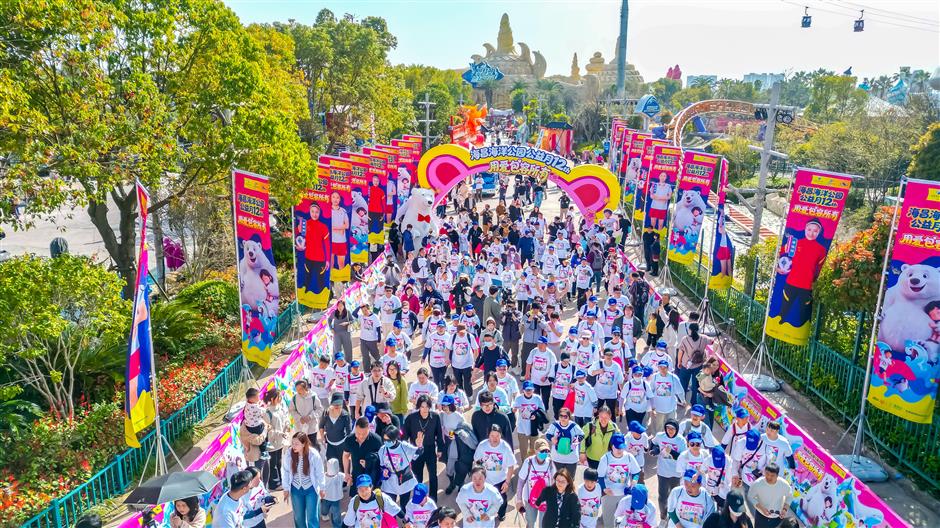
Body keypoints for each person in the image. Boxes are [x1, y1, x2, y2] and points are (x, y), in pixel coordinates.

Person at [403, 395, 446, 498]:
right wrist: (408, 450)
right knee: (418, 476)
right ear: (418, 407)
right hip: (416, 450)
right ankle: (419, 497)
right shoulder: (411, 418)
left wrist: (440, 449)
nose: (425, 409)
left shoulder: (435, 417)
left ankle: (433, 498)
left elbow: (439, 434)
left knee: (433, 475)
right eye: (422, 407)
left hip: (430, 448)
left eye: (427, 406)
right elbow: (405, 436)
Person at [472, 424, 516, 521]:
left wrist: (507, 482)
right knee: (484, 500)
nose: (495, 438)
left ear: (501, 435)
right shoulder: (482, 445)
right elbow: (476, 461)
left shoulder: (505, 447)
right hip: (485, 480)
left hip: (500, 480)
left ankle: (501, 514)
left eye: (497, 436)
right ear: (488, 435)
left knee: (502, 500)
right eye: (492, 435)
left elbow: (511, 466)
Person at [280, 432, 325, 528]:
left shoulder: (313, 454)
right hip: (296, 489)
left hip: (311, 489)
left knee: (312, 517)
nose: (293, 446)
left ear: (304, 444)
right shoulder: (289, 454)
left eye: (296, 444)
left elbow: (320, 472)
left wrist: (322, 487)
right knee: (299, 517)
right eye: (292, 443)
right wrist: (286, 488)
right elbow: (285, 471)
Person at [597, 432, 641, 527]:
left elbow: (636, 472)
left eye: (621, 447)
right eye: (617, 447)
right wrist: (604, 489)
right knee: (609, 522)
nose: (620, 450)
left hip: (624, 495)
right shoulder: (605, 458)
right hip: (609, 495)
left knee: (623, 522)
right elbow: (600, 476)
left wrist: (635, 480)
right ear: (612, 446)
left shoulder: (629, 457)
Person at [651, 419, 687, 523]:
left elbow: (682, 458)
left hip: (676, 474)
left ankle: (673, 519)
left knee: (674, 497)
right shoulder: (660, 436)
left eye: (673, 429)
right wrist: (655, 450)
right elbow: (653, 443)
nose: (670, 431)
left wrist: (672, 452)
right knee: (662, 497)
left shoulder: (681, 440)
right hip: (662, 472)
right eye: (668, 428)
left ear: (677, 429)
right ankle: (663, 518)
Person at [515, 438, 557, 527]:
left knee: (543, 524)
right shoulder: (529, 462)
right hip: (530, 499)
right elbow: (521, 481)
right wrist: (519, 500)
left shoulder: (550, 463)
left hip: (545, 500)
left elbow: (554, 482)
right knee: (530, 522)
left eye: (546, 451)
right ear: (535, 450)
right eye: (542, 451)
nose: (544, 453)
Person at [378, 425, 422, 510]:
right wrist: (384, 470)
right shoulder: (382, 449)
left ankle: (405, 521)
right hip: (389, 483)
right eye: (384, 440)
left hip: (404, 481)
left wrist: (420, 446)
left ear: (395, 438)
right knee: (390, 508)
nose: (386, 442)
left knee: (404, 506)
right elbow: (382, 465)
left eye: (388, 440)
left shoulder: (404, 446)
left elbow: (417, 453)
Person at [342, 418, 382, 497]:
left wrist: (369, 463)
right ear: (355, 428)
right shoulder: (349, 440)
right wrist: (346, 473)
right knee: (356, 502)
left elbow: (382, 460)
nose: (360, 436)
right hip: (356, 475)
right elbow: (345, 456)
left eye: (364, 434)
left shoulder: (377, 440)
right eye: (358, 433)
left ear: (369, 428)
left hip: (372, 477)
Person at [746, 464, 792, 528]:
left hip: (777, 516)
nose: (769, 477)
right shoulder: (757, 483)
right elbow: (750, 496)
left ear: (777, 475)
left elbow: (789, 496)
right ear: (764, 472)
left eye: (772, 475)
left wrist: (785, 509)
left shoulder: (784, 484)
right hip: (761, 514)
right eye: (767, 474)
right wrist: (761, 508)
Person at [263, 389, 291, 490]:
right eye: (278, 396)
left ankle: (281, 480)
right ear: (272, 398)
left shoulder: (280, 408)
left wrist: (287, 426)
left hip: (280, 441)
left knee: (279, 461)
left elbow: (285, 418)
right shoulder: (267, 413)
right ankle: (273, 484)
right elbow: (268, 430)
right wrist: (280, 433)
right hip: (272, 442)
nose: (280, 398)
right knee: (273, 463)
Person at [544, 407, 584, 476]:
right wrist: (552, 438)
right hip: (557, 458)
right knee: (557, 478)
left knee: (570, 480)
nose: (563, 418)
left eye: (565, 416)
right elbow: (547, 434)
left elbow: (582, 435)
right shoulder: (554, 425)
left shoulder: (574, 426)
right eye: (561, 416)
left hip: (571, 459)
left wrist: (577, 440)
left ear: (569, 417)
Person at [513, 380, 546, 459]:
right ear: (523, 390)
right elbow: (514, 408)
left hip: (534, 428)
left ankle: (532, 466)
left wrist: (536, 416)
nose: (528, 391)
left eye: (530, 390)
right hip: (522, 428)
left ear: (533, 390)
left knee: (534, 449)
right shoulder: (519, 398)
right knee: (523, 450)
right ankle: (524, 466)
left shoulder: (537, 398)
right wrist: (514, 410)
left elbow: (542, 411)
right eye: (526, 390)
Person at [580, 405, 620, 469]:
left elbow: (619, 440)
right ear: (598, 415)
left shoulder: (614, 427)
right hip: (591, 458)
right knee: (593, 478)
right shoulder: (590, 425)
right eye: (601, 417)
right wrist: (582, 452)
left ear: (610, 417)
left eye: (606, 417)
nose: (603, 420)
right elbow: (582, 437)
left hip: (607, 459)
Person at [319, 393, 352, 465]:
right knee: (331, 466)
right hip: (330, 445)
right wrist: (322, 438)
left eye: (339, 403)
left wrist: (349, 448)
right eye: (335, 403)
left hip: (342, 445)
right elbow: (321, 426)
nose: (337, 406)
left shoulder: (345, 415)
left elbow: (349, 432)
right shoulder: (326, 413)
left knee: (343, 466)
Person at [354, 301, 382, 371]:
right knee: (365, 356)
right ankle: (367, 371)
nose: (364, 312)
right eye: (363, 311)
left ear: (369, 309)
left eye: (366, 310)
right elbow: (354, 313)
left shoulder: (375, 317)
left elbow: (378, 329)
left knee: (376, 356)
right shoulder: (361, 316)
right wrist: (360, 307)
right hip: (363, 340)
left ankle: (381, 367)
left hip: (372, 340)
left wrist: (379, 340)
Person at [322, 458, 345, 528]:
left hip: (336, 499)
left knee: (336, 513)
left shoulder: (340, 475)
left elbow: (347, 478)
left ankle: (337, 526)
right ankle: (324, 514)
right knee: (324, 508)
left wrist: (349, 479)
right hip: (326, 497)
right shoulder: (323, 477)